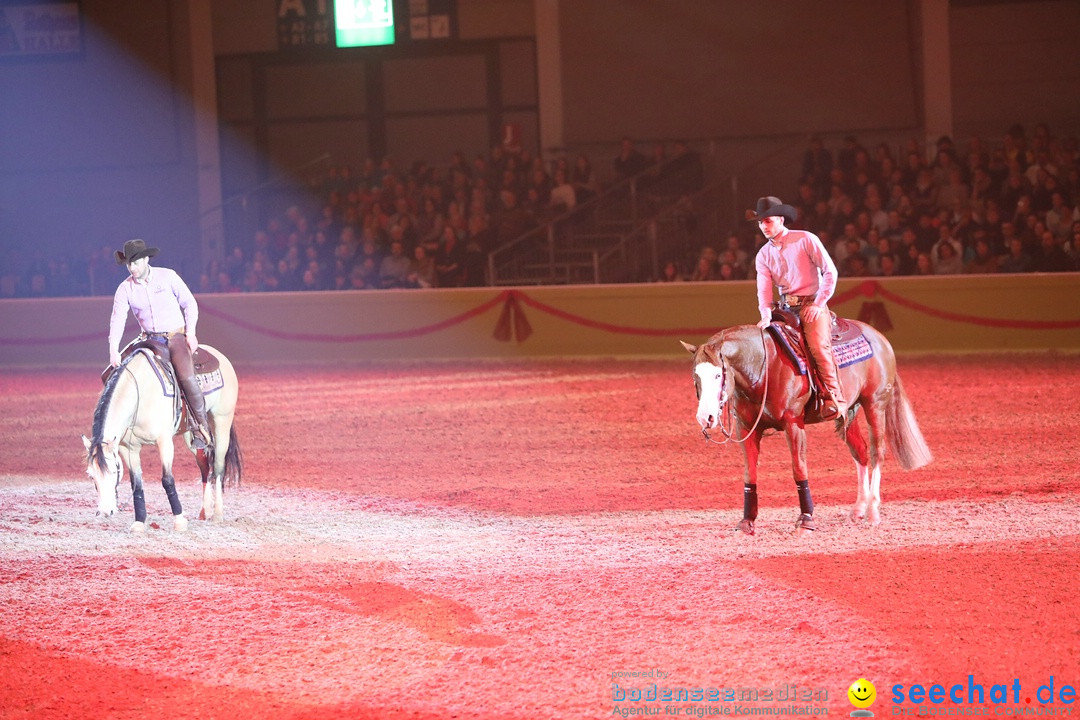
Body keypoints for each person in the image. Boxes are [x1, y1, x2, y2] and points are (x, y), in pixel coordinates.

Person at [749, 196, 847, 422]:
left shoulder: (805, 239)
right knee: (765, 346)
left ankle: (834, 396)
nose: (764, 226)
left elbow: (830, 272)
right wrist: (765, 315)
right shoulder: (763, 255)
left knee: (818, 346)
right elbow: (763, 289)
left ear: (781, 220)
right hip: (784, 308)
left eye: (769, 221)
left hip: (811, 303)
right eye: (761, 222)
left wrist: (818, 303)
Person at [108, 239, 212, 450]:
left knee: (186, 375)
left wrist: (190, 333)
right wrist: (113, 350)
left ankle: (201, 427)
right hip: (149, 339)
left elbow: (189, 303)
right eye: (129, 264)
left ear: (146, 259)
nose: (132, 268)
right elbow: (117, 320)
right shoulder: (124, 289)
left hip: (175, 337)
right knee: (117, 375)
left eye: (135, 263)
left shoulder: (168, 276)